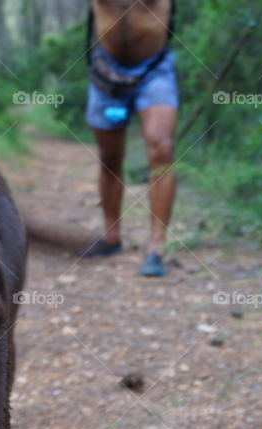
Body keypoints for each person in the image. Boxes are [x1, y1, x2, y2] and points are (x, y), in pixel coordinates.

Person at [82, 0, 178, 277]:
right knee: (109, 156)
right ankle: (111, 236)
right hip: (106, 70)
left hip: (154, 69)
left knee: (161, 147)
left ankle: (156, 247)